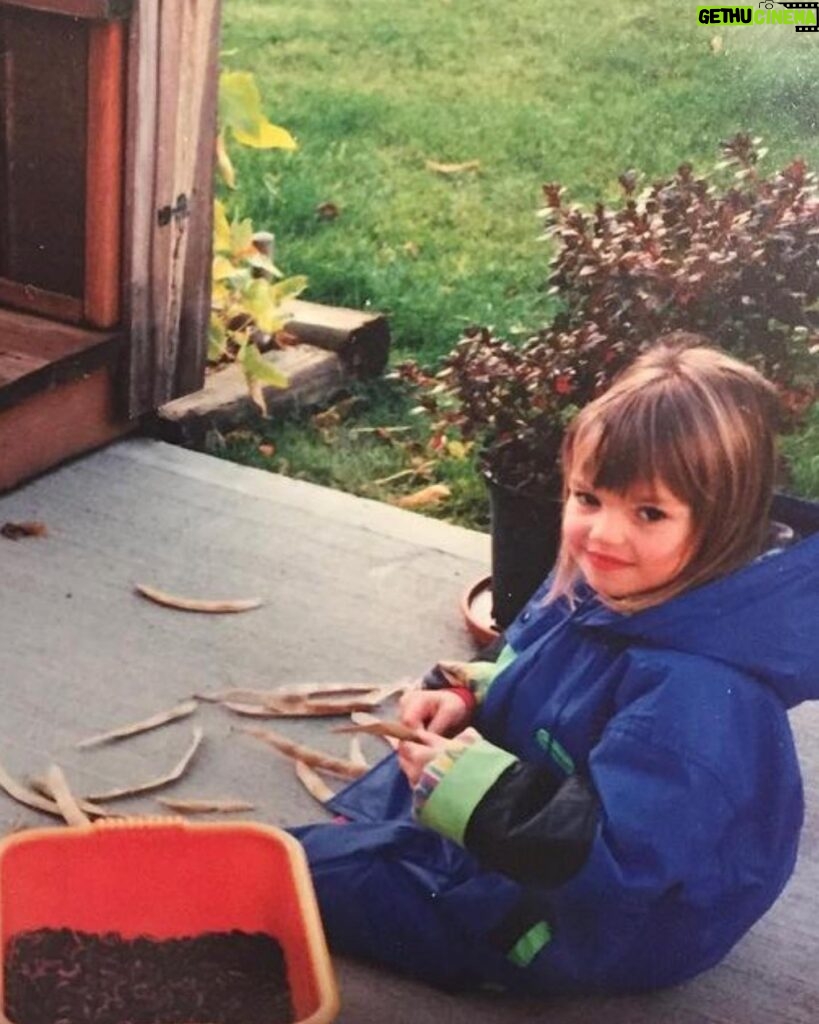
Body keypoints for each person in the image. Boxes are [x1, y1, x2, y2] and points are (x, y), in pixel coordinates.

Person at [289, 338, 819, 995]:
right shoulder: (622, 581)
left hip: (588, 919)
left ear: (722, 528)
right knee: (391, 809)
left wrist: (481, 794)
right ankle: (387, 839)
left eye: (648, 512)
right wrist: (474, 695)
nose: (601, 534)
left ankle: (390, 874)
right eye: (587, 496)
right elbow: (552, 670)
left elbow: (620, 861)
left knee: (296, 878)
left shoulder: (698, 696)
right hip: (547, 808)